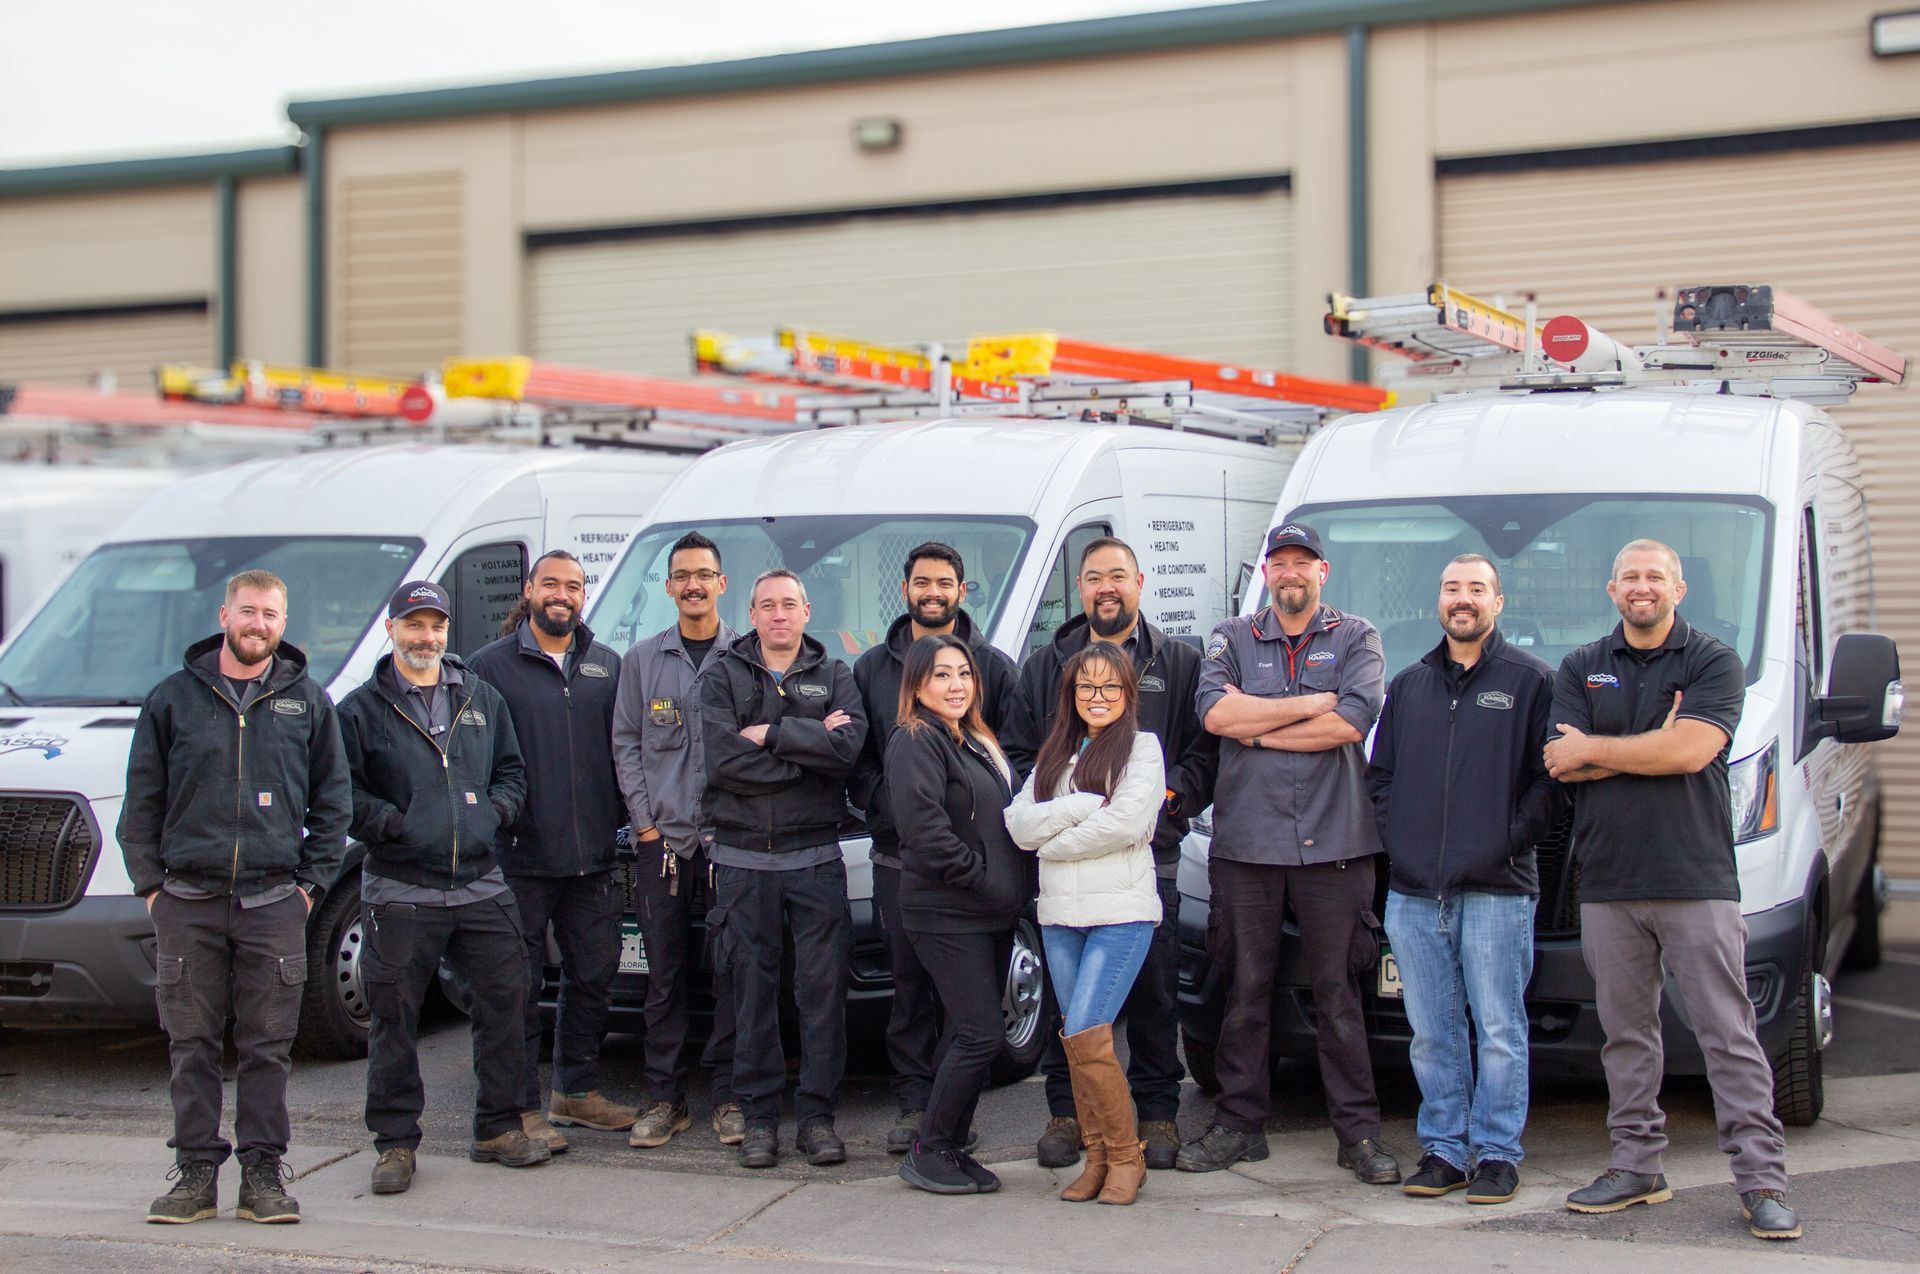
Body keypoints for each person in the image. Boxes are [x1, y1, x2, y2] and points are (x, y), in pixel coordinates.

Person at [1544, 540, 1799, 1241]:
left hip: (1695, 878)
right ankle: (1636, 1166)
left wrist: (1608, 747)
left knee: (1728, 1034)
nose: (1642, 587)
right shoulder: (1581, 666)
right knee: (1626, 1037)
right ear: (1611, 588)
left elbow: (1691, 752)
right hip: (1608, 884)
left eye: (1655, 576)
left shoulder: (1713, 661)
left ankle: (1761, 1181)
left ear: (1678, 588)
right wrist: (1646, 743)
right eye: (1630, 576)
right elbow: (1561, 761)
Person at [121, 569, 352, 1226]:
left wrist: (309, 887)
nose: (259, 625)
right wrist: (152, 889)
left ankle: (262, 1177)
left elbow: (334, 805)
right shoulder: (172, 700)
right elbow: (141, 806)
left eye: (271, 615)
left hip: (273, 903)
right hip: (187, 902)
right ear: (225, 615)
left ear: (284, 623)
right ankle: (195, 1175)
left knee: (267, 1045)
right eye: (248, 612)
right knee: (191, 1043)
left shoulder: (308, 702)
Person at [1181, 522, 1398, 1185]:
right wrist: (1310, 708)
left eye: (1304, 563)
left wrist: (1261, 724)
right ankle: (1239, 1125)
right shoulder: (1231, 637)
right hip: (1247, 845)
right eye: (1281, 563)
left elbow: (1352, 721)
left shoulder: (1358, 636)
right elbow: (1217, 717)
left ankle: (1357, 1134)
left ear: (1322, 573)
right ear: (1266, 574)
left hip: (1335, 846)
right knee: (1244, 991)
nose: (1291, 574)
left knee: (1339, 995)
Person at [1002, 535, 1216, 1172]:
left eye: (1117, 576)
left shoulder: (1178, 662)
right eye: (1094, 577)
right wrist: (1058, 818)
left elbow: (1205, 753)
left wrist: (1167, 800)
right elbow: (1020, 754)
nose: (1105, 588)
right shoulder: (1046, 665)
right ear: (1081, 589)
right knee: (1074, 1007)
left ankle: (1156, 1114)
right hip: (1064, 876)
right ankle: (1069, 1116)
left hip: (1151, 862)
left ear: (1140, 582)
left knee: (1154, 999)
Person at [1365, 554, 1562, 1205]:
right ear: (1439, 600)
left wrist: (1502, 845)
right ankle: (1444, 1149)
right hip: (1416, 893)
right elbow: (1382, 780)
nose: (1463, 599)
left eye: (1477, 589)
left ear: (1497, 603)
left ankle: (1498, 1153)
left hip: (1498, 891)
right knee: (1433, 1030)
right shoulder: (1410, 684)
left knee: (1500, 1028)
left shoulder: (1532, 681)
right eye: (1453, 588)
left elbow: (1549, 785)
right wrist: (1404, 847)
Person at [338, 580, 543, 1195]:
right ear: (392, 629)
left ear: (448, 630)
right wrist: (394, 825)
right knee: (394, 1019)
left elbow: (512, 770)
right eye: (414, 625)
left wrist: (495, 814)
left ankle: (499, 1127)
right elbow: (340, 793)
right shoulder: (359, 709)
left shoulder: (480, 697)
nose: (426, 636)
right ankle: (396, 1143)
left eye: (436, 625)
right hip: (401, 889)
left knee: (506, 1003)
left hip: (480, 883)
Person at [851, 542, 1019, 1154]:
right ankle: (914, 1106)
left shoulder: (993, 667)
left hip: (969, 867)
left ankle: (950, 1117)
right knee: (909, 989)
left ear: (961, 590)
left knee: (967, 1002)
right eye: (922, 582)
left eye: (943, 582)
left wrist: (986, 845)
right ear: (906, 589)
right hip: (903, 861)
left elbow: (1008, 752)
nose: (932, 592)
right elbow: (862, 758)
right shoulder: (871, 668)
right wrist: (890, 808)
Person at [469, 549, 638, 1154]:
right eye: (551, 585)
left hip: (593, 856)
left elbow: (624, 753)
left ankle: (575, 1091)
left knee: (594, 975)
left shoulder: (606, 666)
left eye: (573, 585)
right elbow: (474, 761)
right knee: (512, 988)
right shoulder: (488, 668)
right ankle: (516, 1107)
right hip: (518, 860)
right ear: (530, 589)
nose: (561, 595)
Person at [699, 568, 867, 1169]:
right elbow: (722, 761)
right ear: (751, 613)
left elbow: (847, 754)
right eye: (767, 604)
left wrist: (771, 733)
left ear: (805, 610)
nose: (778, 615)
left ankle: (817, 1118)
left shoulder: (835, 675)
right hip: (744, 862)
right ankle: (761, 1119)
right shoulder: (721, 675)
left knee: (822, 994)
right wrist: (808, 749)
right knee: (752, 994)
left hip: (817, 859)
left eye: (788, 604)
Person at [1007, 642, 1165, 1206]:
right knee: (1078, 1040)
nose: (1097, 698)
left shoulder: (1143, 749)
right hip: (1059, 918)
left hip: (1120, 914)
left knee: (1087, 1034)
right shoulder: (1056, 752)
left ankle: (1126, 1157)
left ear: (1127, 695)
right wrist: (1076, 809)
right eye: (1085, 688)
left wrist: (1051, 846)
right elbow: (1019, 825)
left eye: (1109, 688)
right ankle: (1097, 1157)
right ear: (1070, 696)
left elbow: (1124, 824)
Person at [611, 531, 743, 1150]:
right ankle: (665, 1098)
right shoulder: (642, 660)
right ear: (668, 587)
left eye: (704, 574)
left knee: (729, 974)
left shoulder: (742, 656)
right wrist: (645, 824)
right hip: (661, 845)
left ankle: (728, 1097)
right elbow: (626, 745)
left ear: (721, 584)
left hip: (728, 845)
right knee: (662, 977)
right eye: (682, 575)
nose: (693, 584)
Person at [886, 635, 1024, 1195]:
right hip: (947, 912)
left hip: (985, 911)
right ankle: (930, 1148)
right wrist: (986, 881)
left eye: (963, 674)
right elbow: (924, 833)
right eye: (941, 675)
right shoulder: (916, 739)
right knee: (979, 1034)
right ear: (917, 684)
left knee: (967, 1034)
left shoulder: (970, 739)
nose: (955, 685)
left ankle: (953, 1142)